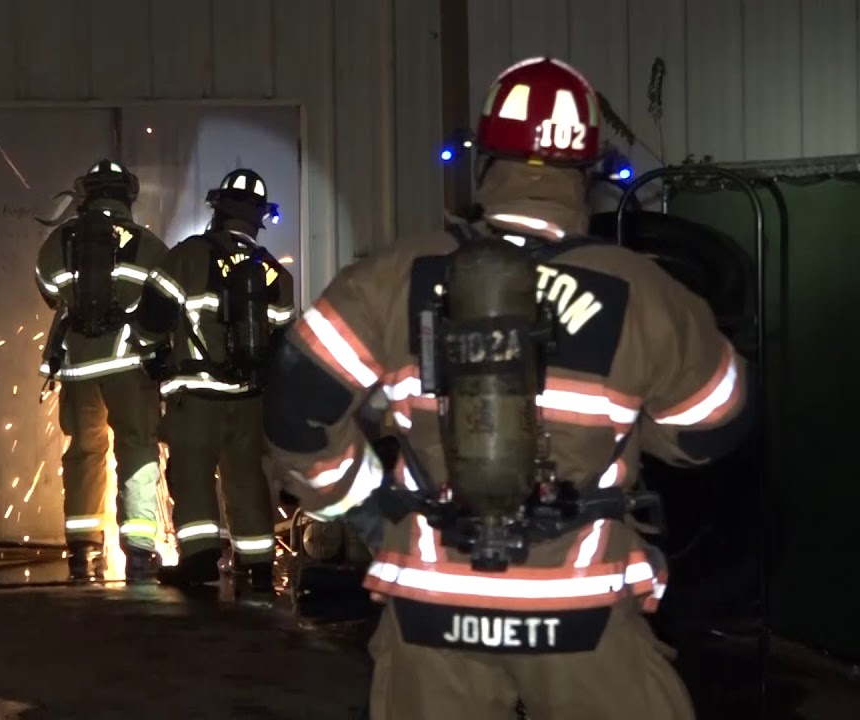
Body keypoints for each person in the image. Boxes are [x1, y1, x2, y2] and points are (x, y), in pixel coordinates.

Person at [264, 57, 752, 718]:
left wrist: (364, 503)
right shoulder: (645, 291)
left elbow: (297, 407)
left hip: (433, 614)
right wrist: (637, 422)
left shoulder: (395, 274)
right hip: (584, 614)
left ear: (485, 162)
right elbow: (716, 425)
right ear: (586, 174)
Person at [133, 169, 296, 592]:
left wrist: (153, 356)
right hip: (247, 401)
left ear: (217, 209)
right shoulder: (276, 274)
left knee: (191, 476)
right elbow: (282, 340)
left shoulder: (188, 256)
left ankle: (200, 560)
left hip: (196, 398)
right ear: (258, 219)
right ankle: (258, 561)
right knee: (246, 479)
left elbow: (152, 316)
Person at [34, 160, 166, 583]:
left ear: (87, 193)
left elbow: (50, 291)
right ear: (127, 195)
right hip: (128, 365)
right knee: (137, 449)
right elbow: (164, 302)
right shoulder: (147, 243)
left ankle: (81, 550)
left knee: (84, 452)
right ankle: (141, 553)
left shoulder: (59, 241)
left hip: (77, 368)